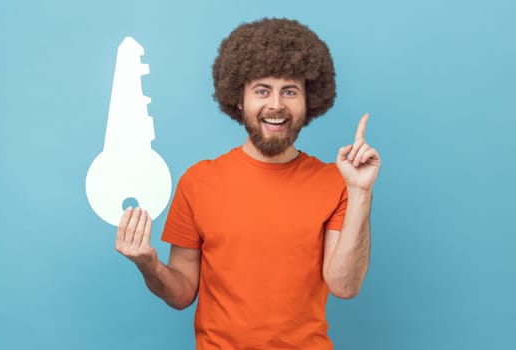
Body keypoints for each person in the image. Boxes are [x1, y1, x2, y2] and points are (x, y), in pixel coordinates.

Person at [115, 18, 381, 349]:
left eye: (289, 91)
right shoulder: (199, 182)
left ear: (307, 100)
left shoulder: (333, 182)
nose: (276, 105)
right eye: (261, 90)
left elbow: (345, 286)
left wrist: (360, 192)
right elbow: (182, 293)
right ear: (238, 99)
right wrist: (149, 265)